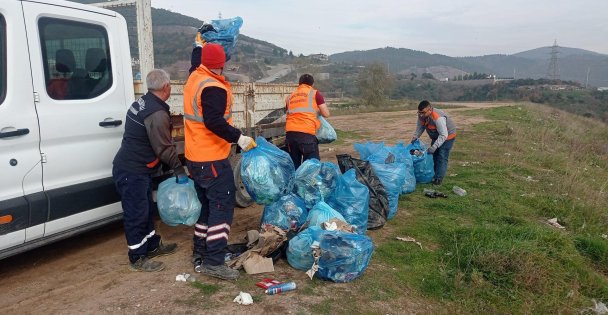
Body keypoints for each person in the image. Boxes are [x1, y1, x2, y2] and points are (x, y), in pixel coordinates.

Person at [183, 43, 257, 280]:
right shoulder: (214, 86)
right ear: (222, 63)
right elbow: (214, 121)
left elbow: (197, 60)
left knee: (207, 207)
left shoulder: (195, 76)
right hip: (212, 157)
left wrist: (199, 41)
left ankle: (201, 250)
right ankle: (214, 262)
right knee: (221, 209)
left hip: (195, 157)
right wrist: (240, 138)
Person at [112, 69, 184, 272]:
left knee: (147, 210)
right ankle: (137, 257)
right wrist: (179, 170)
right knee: (136, 213)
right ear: (166, 87)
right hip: (132, 170)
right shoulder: (156, 113)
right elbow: (163, 148)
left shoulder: (143, 102)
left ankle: (152, 246)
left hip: (137, 168)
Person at [285, 74, 331, 169]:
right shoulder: (315, 93)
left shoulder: (290, 97)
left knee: (294, 166)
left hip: (290, 135)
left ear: (299, 84)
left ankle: (294, 183)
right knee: (311, 167)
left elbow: (289, 112)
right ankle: (307, 183)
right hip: (306, 134)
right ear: (312, 84)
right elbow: (326, 114)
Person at [411, 100, 457, 186]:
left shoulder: (438, 118)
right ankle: (434, 174)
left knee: (442, 156)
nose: (421, 115)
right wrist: (415, 136)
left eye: (423, 112)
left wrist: (434, 146)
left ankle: (438, 179)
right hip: (436, 136)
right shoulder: (421, 116)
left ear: (430, 110)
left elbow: (443, 135)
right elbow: (420, 127)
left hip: (448, 136)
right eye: (419, 112)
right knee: (434, 155)